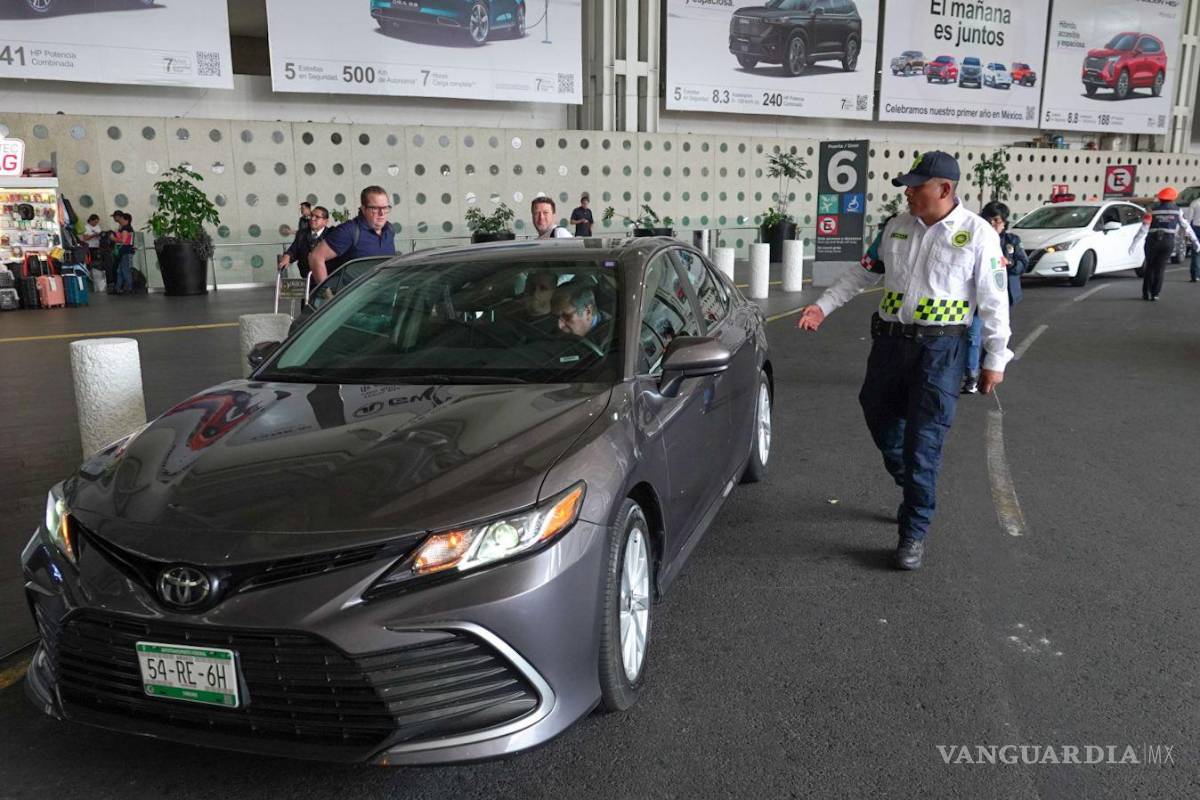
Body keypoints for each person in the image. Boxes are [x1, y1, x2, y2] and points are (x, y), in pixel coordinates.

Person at [796, 151, 1012, 570]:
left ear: (945, 189)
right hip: (890, 346)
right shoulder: (896, 227)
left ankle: (913, 529)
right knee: (876, 412)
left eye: (917, 186)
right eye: (908, 186)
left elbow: (994, 299)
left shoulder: (979, 233)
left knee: (924, 443)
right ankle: (911, 480)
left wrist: (995, 357)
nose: (908, 192)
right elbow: (862, 273)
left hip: (940, 353)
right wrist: (823, 306)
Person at [962, 201, 1026, 394]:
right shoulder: (975, 237)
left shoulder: (1011, 241)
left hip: (1001, 296)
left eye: (996, 221)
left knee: (993, 331)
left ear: (1004, 223)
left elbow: (1023, 264)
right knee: (974, 336)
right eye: (988, 219)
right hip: (975, 297)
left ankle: (987, 364)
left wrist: (1009, 262)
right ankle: (971, 375)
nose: (992, 224)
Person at [308, 187, 396, 284]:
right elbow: (316, 257)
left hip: (382, 293)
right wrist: (327, 293)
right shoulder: (349, 231)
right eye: (375, 208)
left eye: (385, 208)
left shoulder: (389, 230)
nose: (382, 213)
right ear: (363, 209)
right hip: (355, 297)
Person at [1129, 187, 1200, 300]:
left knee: (1150, 267)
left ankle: (1146, 293)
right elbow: (1186, 227)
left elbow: (1144, 227)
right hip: (1168, 242)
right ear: (1173, 198)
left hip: (1152, 241)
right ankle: (1155, 294)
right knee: (1160, 268)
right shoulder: (1177, 210)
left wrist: (1134, 242)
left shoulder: (1151, 209)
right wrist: (1195, 240)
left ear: (1160, 198)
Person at [279, 205, 328, 281]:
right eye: (311, 215)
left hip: (326, 278)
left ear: (325, 221)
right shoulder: (301, 234)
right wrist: (287, 256)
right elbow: (293, 250)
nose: (312, 218)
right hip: (307, 277)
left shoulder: (331, 235)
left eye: (317, 217)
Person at [112, 212, 137, 295]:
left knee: (125, 270)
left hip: (125, 251)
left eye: (122, 219)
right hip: (125, 251)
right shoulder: (128, 228)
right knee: (120, 270)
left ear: (126, 220)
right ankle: (118, 288)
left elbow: (123, 241)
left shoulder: (125, 229)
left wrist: (113, 238)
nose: (120, 220)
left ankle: (129, 288)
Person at [1187, 193, 1200, 283]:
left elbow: (1189, 219)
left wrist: (1187, 233)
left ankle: (1195, 275)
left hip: (1196, 228)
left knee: (1196, 252)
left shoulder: (1195, 203)